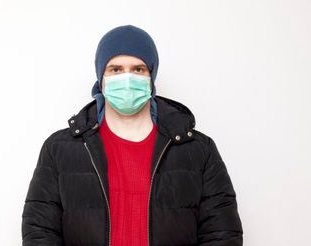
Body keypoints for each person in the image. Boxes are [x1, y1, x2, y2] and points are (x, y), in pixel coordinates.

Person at [21, 24, 243, 246]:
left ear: (151, 75)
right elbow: (40, 232)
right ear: (101, 77)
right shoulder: (60, 149)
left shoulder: (197, 149)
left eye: (138, 69)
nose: (127, 78)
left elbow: (222, 234)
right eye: (115, 69)